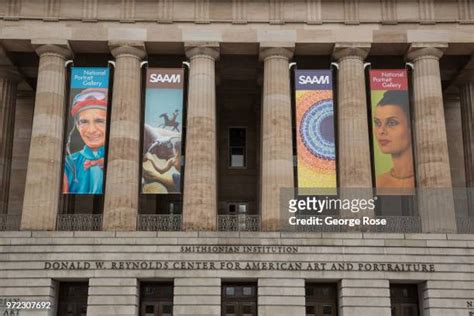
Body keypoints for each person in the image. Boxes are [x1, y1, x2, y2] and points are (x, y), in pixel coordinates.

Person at [63, 88, 108, 194]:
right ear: (77, 126)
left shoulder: (123, 161)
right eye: (84, 122)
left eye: (99, 121)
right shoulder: (67, 164)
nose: (91, 130)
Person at [373, 90, 414, 189]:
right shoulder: (379, 183)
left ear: (411, 127)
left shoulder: (429, 178)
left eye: (392, 123)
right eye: (377, 123)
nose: (381, 131)